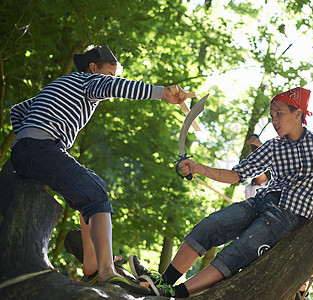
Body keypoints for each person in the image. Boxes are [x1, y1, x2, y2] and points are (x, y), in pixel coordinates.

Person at [128, 86, 313, 297]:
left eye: (279, 114)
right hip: (260, 202)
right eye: (272, 115)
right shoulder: (273, 146)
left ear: (298, 114)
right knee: (210, 225)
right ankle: (164, 281)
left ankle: (177, 293)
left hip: (286, 214)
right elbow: (236, 175)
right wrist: (198, 167)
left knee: (240, 250)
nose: (274, 120)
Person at [9, 44, 187, 294]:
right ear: (93, 68)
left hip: (23, 151)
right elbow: (117, 87)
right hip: (42, 148)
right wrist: (163, 93)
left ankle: (92, 261)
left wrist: (25, 141)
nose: (111, 81)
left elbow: (17, 111)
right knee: (96, 192)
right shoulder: (88, 82)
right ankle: (106, 271)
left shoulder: (61, 84)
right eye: (109, 74)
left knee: (89, 186)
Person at [244, 134, 269, 199]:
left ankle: (256, 144)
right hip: (267, 180)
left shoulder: (249, 188)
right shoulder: (248, 188)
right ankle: (256, 144)